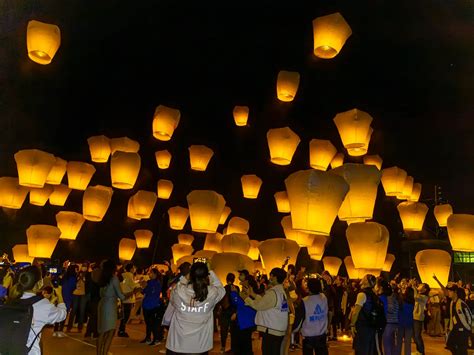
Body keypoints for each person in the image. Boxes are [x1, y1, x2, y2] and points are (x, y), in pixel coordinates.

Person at [165, 262, 226, 354]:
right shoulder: (212, 293)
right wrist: (210, 271)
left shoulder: (179, 291)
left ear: (190, 275)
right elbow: (221, 289)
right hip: (200, 347)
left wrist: (186, 277)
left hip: (177, 344)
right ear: (206, 276)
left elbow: (173, 298)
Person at [9, 266, 67, 355]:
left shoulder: (10, 301)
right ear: (39, 283)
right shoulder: (43, 304)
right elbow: (62, 315)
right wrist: (60, 296)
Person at [245, 267, 289, 355]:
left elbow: (259, 306)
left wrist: (247, 299)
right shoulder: (281, 291)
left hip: (271, 330)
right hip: (278, 329)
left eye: (271, 275)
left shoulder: (273, 292)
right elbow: (266, 303)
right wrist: (253, 295)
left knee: (268, 352)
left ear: (275, 277)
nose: (270, 277)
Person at [97, 260, 130, 355]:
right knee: (111, 332)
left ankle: (99, 353)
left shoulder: (102, 278)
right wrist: (134, 292)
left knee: (102, 332)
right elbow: (121, 296)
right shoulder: (114, 278)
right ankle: (104, 352)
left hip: (102, 303)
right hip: (110, 306)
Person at [293, 277, 329, 355]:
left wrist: (294, 330)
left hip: (308, 335)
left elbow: (299, 319)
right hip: (321, 334)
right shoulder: (324, 298)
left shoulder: (305, 301)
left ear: (308, 288)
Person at [350, 274, 380, 355]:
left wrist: (352, 324)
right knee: (369, 350)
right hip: (372, 326)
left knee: (361, 350)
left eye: (364, 277)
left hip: (363, 327)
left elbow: (356, 311)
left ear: (366, 281)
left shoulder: (362, 294)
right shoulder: (374, 294)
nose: (361, 278)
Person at [230, 276, 258, 355]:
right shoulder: (252, 294)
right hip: (245, 323)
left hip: (244, 323)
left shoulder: (250, 294)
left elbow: (241, 304)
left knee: (243, 347)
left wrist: (234, 293)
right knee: (245, 345)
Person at [446, 285, 472, 354]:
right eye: (448, 291)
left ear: (455, 292)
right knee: (449, 344)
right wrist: (450, 327)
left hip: (463, 330)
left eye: (450, 291)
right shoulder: (452, 303)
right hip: (454, 329)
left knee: (462, 349)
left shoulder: (461, 303)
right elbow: (452, 317)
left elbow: (469, 316)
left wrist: (468, 328)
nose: (448, 293)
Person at [141, 268, 162, 346]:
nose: (149, 274)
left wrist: (147, 286)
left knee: (153, 323)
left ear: (155, 274)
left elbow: (153, 292)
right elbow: (143, 292)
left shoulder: (157, 283)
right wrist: (143, 286)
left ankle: (156, 338)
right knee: (148, 322)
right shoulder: (149, 282)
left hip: (153, 305)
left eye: (151, 273)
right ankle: (148, 337)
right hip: (146, 304)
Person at [379, 280, 400, 355]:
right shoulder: (396, 298)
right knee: (392, 343)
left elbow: (390, 309)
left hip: (389, 323)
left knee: (387, 343)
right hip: (395, 322)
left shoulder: (388, 299)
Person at [219, 272, 238, 353]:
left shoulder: (224, 288)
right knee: (234, 331)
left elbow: (220, 300)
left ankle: (223, 347)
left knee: (224, 331)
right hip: (233, 311)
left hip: (224, 311)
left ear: (227, 280)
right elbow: (237, 300)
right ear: (233, 280)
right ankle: (233, 348)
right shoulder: (236, 288)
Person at [118, 262, 138, 337]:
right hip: (128, 298)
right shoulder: (129, 275)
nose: (135, 269)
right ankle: (121, 330)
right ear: (131, 268)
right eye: (134, 268)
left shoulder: (123, 275)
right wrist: (141, 284)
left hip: (123, 297)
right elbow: (133, 285)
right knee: (126, 315)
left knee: (124, 315)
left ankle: (121, 330)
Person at [411, 279, 430, 355]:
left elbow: (415, 297)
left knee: (417, 336)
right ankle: (418, 351)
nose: (419, 285)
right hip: (414, 316)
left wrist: (413, 286)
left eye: (421, 285)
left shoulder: (424, 297)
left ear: (424, 289)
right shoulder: (420, 295)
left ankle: (421, 352)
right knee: (414, 336)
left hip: (418, 318)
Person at [85, 263, 101, 339]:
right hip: (97, 297)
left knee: (92, 316)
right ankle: (94, 332)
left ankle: (89, 332)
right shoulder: (99, 277)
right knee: (96, 316)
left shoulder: (89, 275)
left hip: (91, 297)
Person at [398, 286, 415, 355]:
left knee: (399, 341)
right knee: (408, 342)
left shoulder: (401, 299)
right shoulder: (412, 301)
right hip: (409, 322)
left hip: (401, 322)